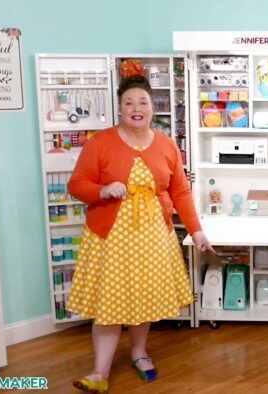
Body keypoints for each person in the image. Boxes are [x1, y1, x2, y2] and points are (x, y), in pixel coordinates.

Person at [66, 75, 214, 393]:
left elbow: (182, 193)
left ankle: (139, 353)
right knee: (109, 303)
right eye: (129, 102)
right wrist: (103, 190)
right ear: (119, 108)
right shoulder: (100, 143)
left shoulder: (166, 145)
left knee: (143, 300)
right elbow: (76, 184)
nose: (136, 108)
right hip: (110, 239)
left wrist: (197, 231)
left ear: (152, 107)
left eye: (143, 102)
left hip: (152, 239)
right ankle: (99, 373)